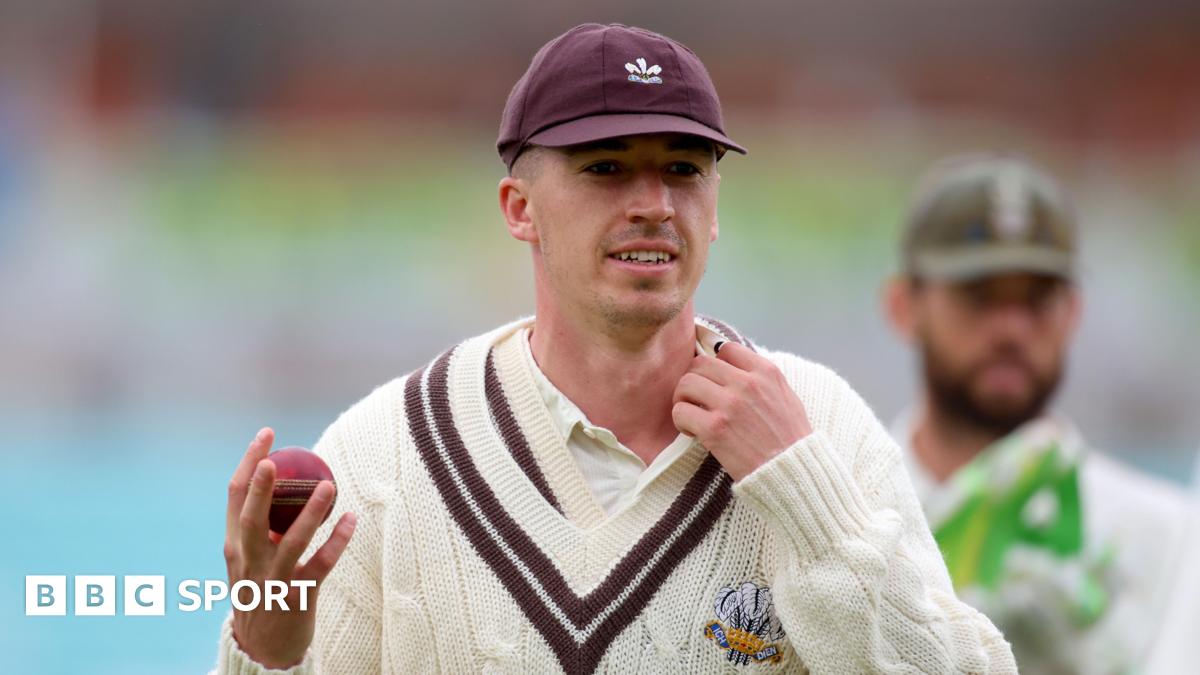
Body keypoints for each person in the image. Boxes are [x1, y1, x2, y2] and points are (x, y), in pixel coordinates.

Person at [214, 24, 1016, 674]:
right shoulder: (385, 452)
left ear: (714, 207)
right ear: (519, 208)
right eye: (606, 168)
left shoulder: (820, 428)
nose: (654, 204)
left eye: (683, 169)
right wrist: (267, 651)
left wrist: (802, 493)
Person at [883, 155, 1191, 675]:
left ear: (1073, 313)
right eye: (978, 294)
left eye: (1037, 298)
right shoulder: (853, 512)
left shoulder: (1167, 535)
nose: (1011, 329)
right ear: (904, 307)